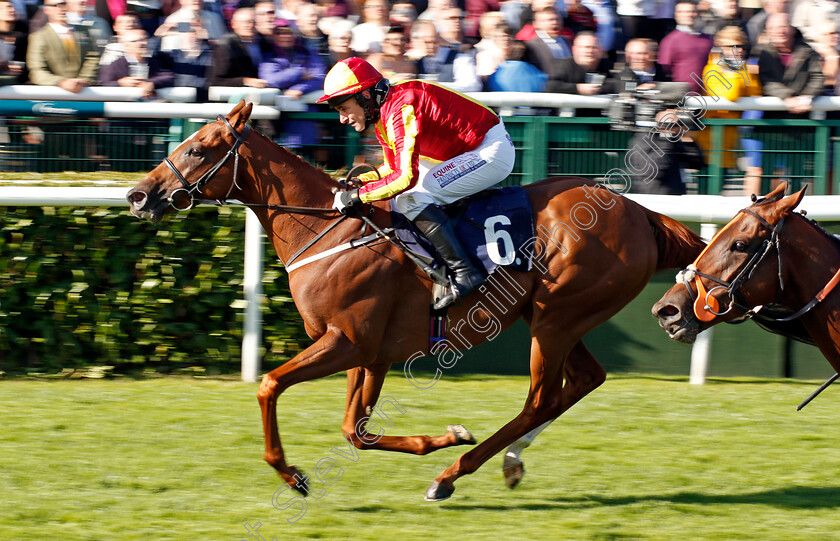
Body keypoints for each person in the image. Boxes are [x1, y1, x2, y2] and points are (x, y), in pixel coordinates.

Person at [318, 56, 515, 308]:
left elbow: (404, 178)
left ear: (365, 96)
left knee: (411, 197)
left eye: (343, 108)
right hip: (463, 151)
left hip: (489, 150)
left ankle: (465, 271)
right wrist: (360, 181)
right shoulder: (385, 112)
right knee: (403, 194)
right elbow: (392, 167)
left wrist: (358, 196)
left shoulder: (400, 108)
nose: (342, 119)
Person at [692, 26, 763, 194]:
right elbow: (730, 95)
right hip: (709, 142)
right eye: (732, 46)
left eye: (740, 46)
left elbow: (755, 92)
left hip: (729, 142)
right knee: (707, 193)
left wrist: (740, 71)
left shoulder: (742, 67)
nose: (738, 50)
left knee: (719, 190)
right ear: (721, 48)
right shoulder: (712, 69)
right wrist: (735, 73)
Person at [754, 12, 824, 116]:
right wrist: (788, 97)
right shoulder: (762, 52)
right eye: (774, 28)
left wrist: (806, 97)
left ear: (792, 29)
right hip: (772, 116)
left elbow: (817, 77)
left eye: (784, 27)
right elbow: (766, 80)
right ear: (768, 31)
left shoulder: (807, 51)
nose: (780, 31)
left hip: (803, 113)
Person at [27, 0, 100, 91]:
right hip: (55, 95)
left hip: (84, 92)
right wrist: (62, 82)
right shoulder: (39, 37)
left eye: (63, 4)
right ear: (46, 10)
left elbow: (92, 57)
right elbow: (36, 71)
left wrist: (84, 80)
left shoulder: (83, 31)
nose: (60, 8)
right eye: (54, 6)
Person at [99, 27, 173, 99]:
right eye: (139, 40)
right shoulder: (114, 65)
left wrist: (151, 83)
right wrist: (120, 83)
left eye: (146, 39)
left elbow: (169, 77)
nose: (145, 43)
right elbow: (104, 83)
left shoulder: (155, 62)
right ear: (126, 45)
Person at [658, 0, 714, 94]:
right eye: (684, 12)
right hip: (681, 97)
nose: (689, 15)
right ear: (676, 15)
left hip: (708, 97)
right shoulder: (670, 40)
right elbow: (664, 71)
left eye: (692, 11)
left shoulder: (708, 39)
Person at [208, 7, 268, 88]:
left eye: (252, 22)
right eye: (245, 22)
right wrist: (245, 81)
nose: (249, 26)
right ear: (234, 24)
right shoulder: (225, 46)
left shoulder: (262, 43)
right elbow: (217, 80)